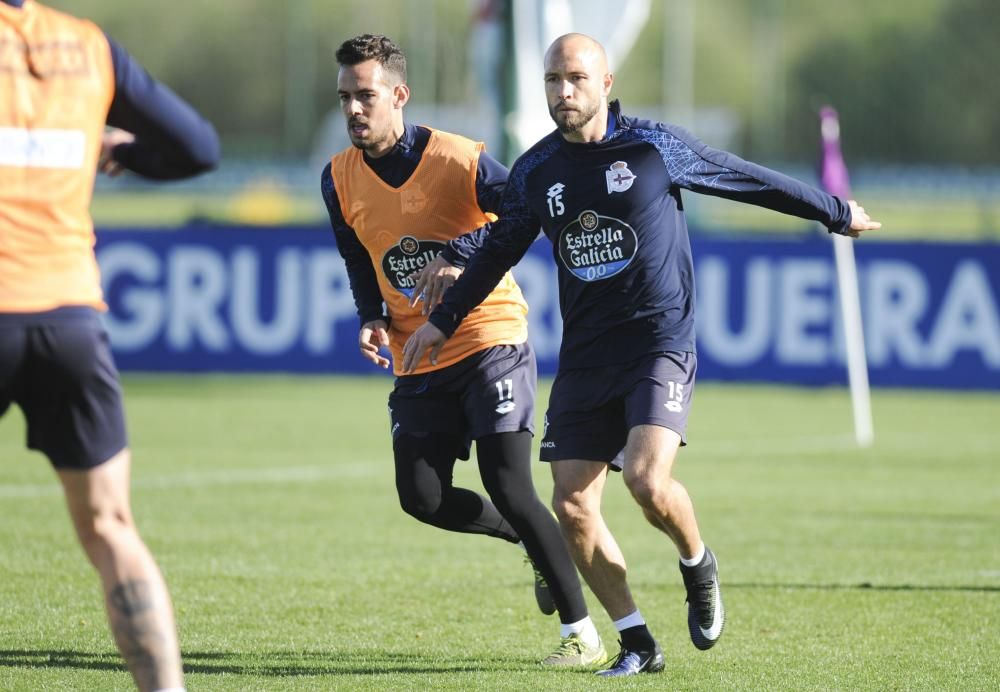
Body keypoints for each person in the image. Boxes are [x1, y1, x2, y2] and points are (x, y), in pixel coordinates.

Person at [403, 33, 881, 677]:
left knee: (647, 482)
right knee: (571, 503)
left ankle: (697, 562)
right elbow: (497, 251)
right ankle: (637, 643)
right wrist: (442, 320)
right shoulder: (536, 171)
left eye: (575, 78)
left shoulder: (655, 146)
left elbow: (743, 178)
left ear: (605, 82)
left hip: (660, 342)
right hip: (586, 357)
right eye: (552, 80)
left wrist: (832, 211)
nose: (562, 92)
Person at [321, 34, 605, 666]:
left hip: (488, 337)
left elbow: (523, 213)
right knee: (420, 498)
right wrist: (370, 316)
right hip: (418, 351)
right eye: (344, 98)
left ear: (399, 95)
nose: (353, 110)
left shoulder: (457, 159)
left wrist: (460, 253)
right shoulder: (337, 177)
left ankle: (581, 635)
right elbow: (356, 255)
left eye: (365, 95)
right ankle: (532, 545)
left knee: (509, 481)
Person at [0, 1, 220, 690]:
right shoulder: (86, 45)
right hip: (70, 315)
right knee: (111, 526)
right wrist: (121, 150)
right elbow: (199, 147)